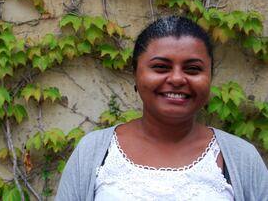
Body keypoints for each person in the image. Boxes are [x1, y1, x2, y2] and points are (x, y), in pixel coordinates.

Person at [56, 16, 268, 201]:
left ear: (210, 78)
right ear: (135, 75)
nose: (177, 79)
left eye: (193, 69)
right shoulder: (93, 151)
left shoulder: (241, 159)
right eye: (161, 67)